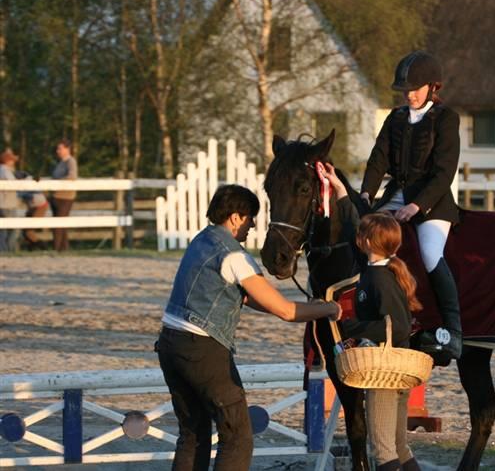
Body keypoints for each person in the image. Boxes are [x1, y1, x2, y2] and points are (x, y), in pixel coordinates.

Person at [157, 184, 341, 471]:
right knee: (238, 437)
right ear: (234, 217)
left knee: (193, 434)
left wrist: (312, 306)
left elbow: (246, 296)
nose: (254, 224)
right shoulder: (234, 256)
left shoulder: (202, 240)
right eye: (250, 217)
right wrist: (330, 309)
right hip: (202, 350)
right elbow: (285, 311)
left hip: (170, 344)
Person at [359, 51, 462, 361]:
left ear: (433, 87)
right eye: (405, 89)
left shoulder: (446, 119)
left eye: (415, 88)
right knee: (362, 239)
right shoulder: (396, 117)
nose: (409, 94)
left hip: (433, 202)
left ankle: (454, 332)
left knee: (430, 254)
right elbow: (379, 158)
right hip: (396, 196)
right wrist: (366, 193)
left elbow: (445, 171)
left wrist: (417, 206)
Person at [323, 164, 422, 471]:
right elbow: (354, 223)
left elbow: (398, 325)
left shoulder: (380, 280)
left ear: (367, 242)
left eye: (361, 235)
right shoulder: (378, 269)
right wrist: (339, 189)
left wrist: (352, 326)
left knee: (383, 451)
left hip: (385, 371)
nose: (357, 237)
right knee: (399, 447)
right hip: (394, 366)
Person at [50, 139, 77, 251]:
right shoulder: (60, 163)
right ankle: (64, 248)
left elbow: (72, 176)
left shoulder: (70, 161)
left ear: (67, 149)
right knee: (61, 223)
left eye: (60, 148)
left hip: (65, 197)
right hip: (57, 196)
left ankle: (56, 248)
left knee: (59, 223)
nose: (58, 151)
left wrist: (57, 183)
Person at [0, 149, 21, 252]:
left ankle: (4, 250)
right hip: (8, 204)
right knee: (15, 229)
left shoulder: (2, 170)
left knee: (3, 230)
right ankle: (10, 250)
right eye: (12, 160)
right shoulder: (5, 170)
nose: (13, 162)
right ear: (8, 161)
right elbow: (13, 184)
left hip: (3, 204)